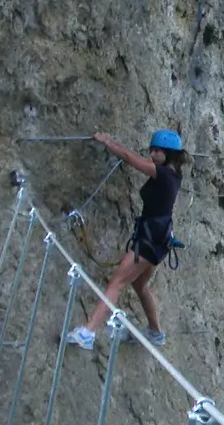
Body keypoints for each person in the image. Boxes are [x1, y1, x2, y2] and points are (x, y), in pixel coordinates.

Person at [66, 129, 185, 349]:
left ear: (168, 153)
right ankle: (156, 333)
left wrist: (109, 142)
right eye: (151, 149)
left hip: (149, 241)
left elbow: (131, 159)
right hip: (158, 238)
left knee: (116, 283)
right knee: (140, 284)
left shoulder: (165, 175)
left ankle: (87, 333)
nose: (152, 153)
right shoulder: (173, 174)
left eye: (157, 150)